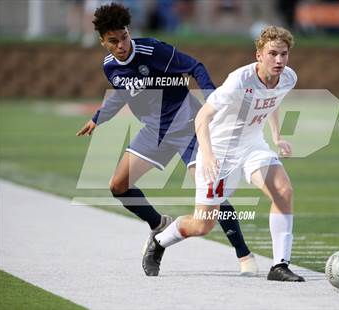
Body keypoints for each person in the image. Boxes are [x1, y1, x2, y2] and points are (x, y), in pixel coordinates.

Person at [75, 2, 257, 276]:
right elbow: (123, 94)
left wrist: (212, 102)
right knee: (118, 186)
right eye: (113, 41)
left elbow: (196, 66)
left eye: (124, 36)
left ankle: (244, 255)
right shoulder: (110, 66)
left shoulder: (152, 50)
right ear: (103, 42)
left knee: (211, 190)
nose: (121, 44)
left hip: (188, 127)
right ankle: (158, 224)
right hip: (154, 132)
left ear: (128, 31)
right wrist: (98, 117)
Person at [145, 26, 305, 282]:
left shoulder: (288, 77)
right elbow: (202, 116)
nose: (279, 60)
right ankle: (160, 241)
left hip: (253, 146)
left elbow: (273, 99)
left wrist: (276, 137)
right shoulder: (238, 81)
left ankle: (279, 266)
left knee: (283, 191)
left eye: (284, 54)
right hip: (219, 150)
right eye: (273, 54)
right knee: (202, 225)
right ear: (259, 55)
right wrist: (206, 155)